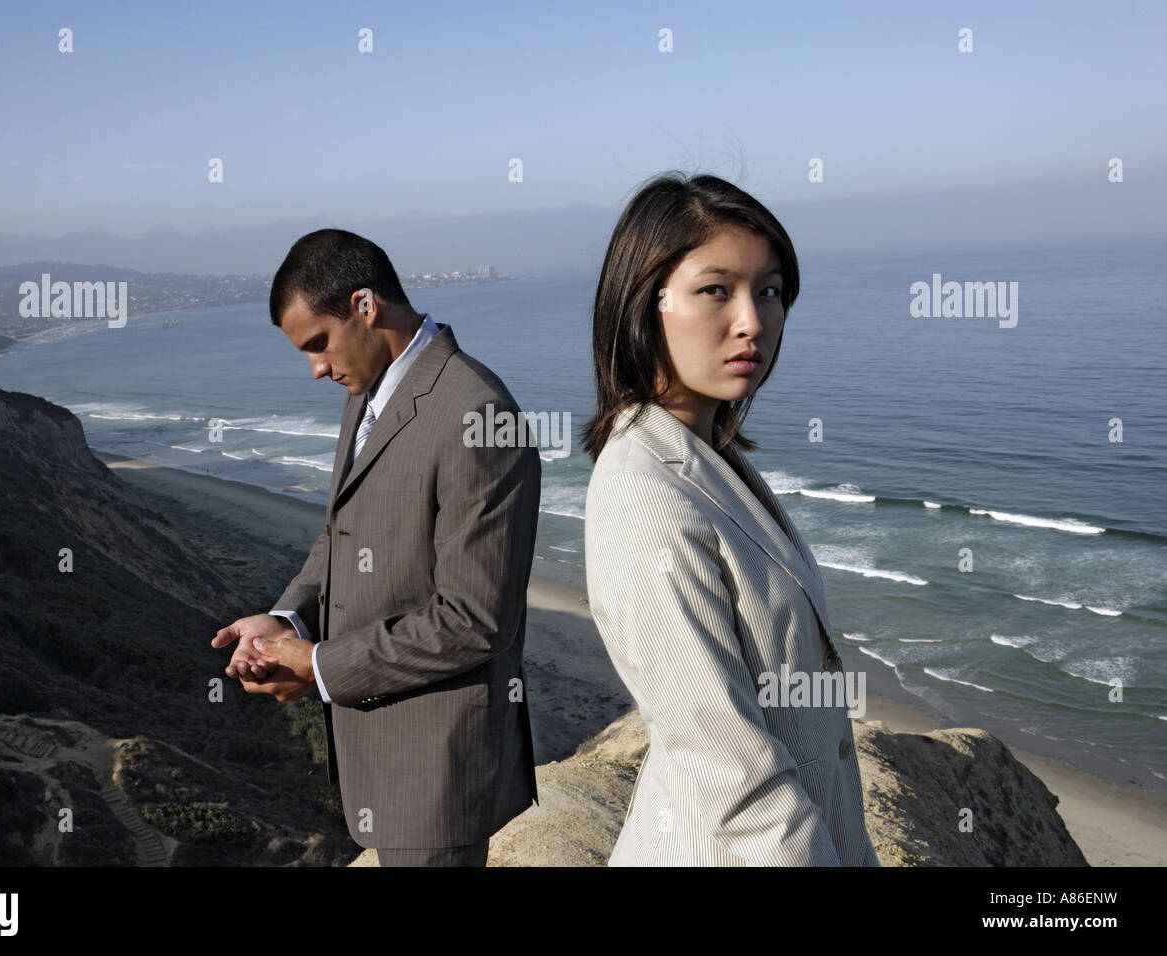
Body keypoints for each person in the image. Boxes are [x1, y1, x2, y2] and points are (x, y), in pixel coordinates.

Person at [212, 229, 540, 866]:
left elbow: (476, 620)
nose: (315, 369)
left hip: (437, 770)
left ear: (365, 306)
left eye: (317, 344)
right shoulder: (366, 391)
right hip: (380, 757)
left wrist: (321, 667)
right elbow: (344, 533)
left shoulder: (478, 414)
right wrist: (287, 620)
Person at [581, 172, 880, 866]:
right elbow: (731, 776)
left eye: (769, 291)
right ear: (643, 304)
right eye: (716, 290)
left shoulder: (704, 455)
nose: (752, 320)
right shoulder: (644, 495)